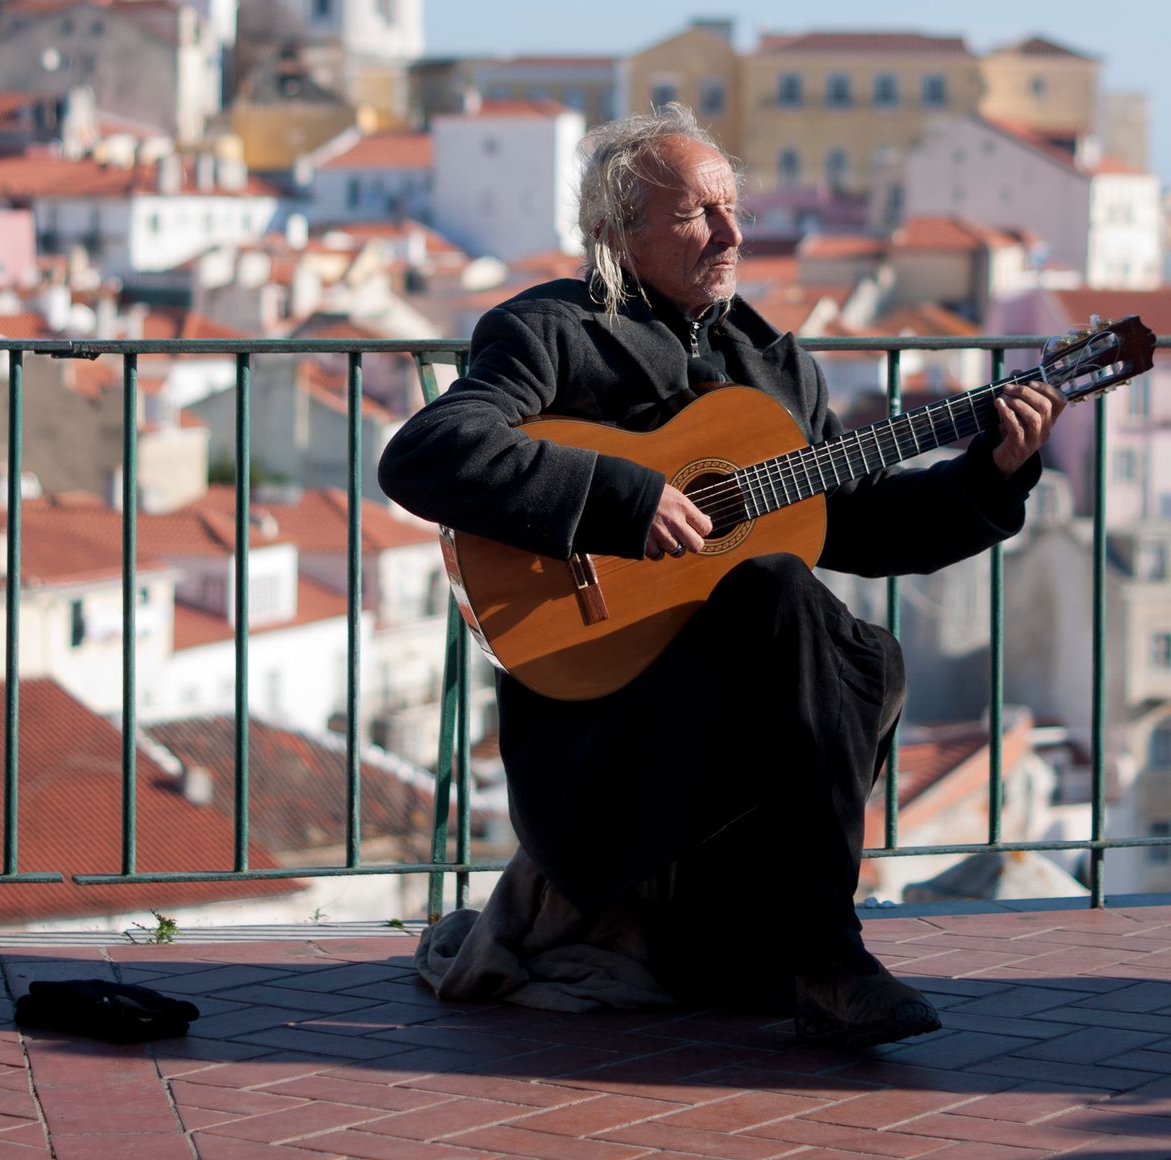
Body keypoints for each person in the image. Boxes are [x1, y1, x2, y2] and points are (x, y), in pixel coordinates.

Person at [378, 104, 1063, 1045]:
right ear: (618, 232)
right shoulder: (553, 331)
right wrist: (624, 498)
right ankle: (824, 957)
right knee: (782, 596)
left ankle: (798, 944)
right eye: (700, 212)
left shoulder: (773, 365)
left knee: (863, 651)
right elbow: (426, 452)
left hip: (733, 708)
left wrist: (989, 481)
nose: (733, 234)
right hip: (600, 721)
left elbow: (852, 525)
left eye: (734, 207)